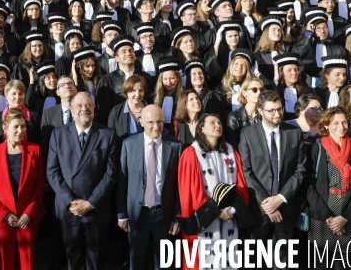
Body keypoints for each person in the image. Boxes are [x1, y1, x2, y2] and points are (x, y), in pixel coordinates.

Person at [47, 92, 118, 270]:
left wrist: (91, 202)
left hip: (96, 208)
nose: (84, 109)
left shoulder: (107, 134)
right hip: (69, 208)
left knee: (96, 260)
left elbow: (111, 173)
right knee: (73, 257)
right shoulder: (58, 134)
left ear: (94, 109)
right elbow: (52, 171)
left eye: (88, 105)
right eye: (79, 105)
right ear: (71, 110)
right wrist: (71, 201)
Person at [239, 90, 307, 268]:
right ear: (260, 111)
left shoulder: (294, 133)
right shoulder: (247, 134)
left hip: (287, 207)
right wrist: (268, 204)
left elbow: (301, 170)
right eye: (272, 110)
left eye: (280, 109)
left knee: (283, 262)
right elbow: (246, 171)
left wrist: (280, 199)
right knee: (253, 260)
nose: (277, 114)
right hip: (259, 211)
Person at [176, 113, 249, 269]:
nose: (218, 125)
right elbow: (191, 192)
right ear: (201, 129)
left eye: (219, 122)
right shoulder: (191, 153)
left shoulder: (230, 151)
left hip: (230, 217)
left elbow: (240, 184)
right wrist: (216, 212)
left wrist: (232, 210)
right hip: (203, 219)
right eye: (212, 123)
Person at [116, 105, 182, 270]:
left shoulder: (176, 146)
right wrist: (122, 214)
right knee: (136, 260)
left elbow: (180, 186)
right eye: (151, 122)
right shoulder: (128, 144)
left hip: (164, 213)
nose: (156, 126)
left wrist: (177, 217)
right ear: (141, 122)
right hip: (137, 213)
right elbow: (122, 182)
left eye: (159, 121)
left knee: (164, 262)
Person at [307, 106, 351, 270]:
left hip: (349, 210)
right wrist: (327, 216)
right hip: (323, 210)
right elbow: (309, 185)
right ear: (326, 124)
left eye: (344, 122)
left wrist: (345, 217)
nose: (341, 127)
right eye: (335, 123)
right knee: (322, 261)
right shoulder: (317, 149)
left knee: (346, 264)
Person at [0, 108, 45, 270]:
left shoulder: (35, 150)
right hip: (3, 218)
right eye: (16, 127)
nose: (20, 131)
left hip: (28, 218)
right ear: (5, 128)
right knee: (5, 263)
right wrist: (4, 214)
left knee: (28, 263)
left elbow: (39, 186)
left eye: (23, 126)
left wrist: (28, 213)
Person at [107, 75, 148, 142]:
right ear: (126, 92)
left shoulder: (151, 111)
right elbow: (110, 139)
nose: (137, 94)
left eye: (140, 90)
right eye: (133, 91)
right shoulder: (116, 112)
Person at [225, 77, 263, 149]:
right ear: (244, 93)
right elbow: (233, 145)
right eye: (254, 90)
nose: (259, 92)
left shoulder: (265, 114)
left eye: (261, 90)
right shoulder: (234, 117)